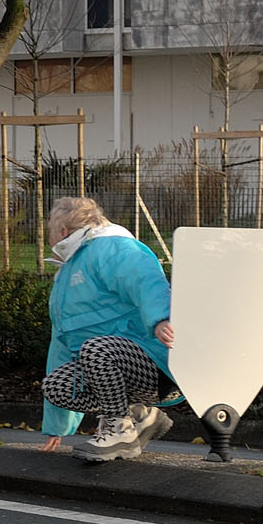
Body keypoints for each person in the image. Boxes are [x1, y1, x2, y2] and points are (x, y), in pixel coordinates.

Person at [36, 195, 178, 462]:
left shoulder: (113, 247)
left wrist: (161, 318)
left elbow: (145, 278)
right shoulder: (67, 275)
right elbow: (61, 347)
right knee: (56, 386)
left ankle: (120, 431)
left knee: (96, 347)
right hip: (122, 369)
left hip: (157, 366)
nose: (50, 238)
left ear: (63, 231)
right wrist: (57, 428)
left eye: (51, 232)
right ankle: (138, 415)